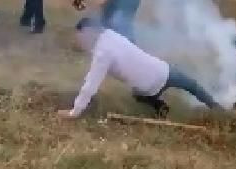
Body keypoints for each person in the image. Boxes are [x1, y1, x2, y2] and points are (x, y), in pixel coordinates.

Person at [60, 18, 219, 118]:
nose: (80, 42)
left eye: (81, 37)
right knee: (192, 86)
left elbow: (90, 85)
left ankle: (161, 108)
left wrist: (75, 111)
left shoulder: (103, 53)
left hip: (148, 86)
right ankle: (217, 109)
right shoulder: (110, 34)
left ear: (89, 32)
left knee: (139, 94)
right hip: (163, 70)